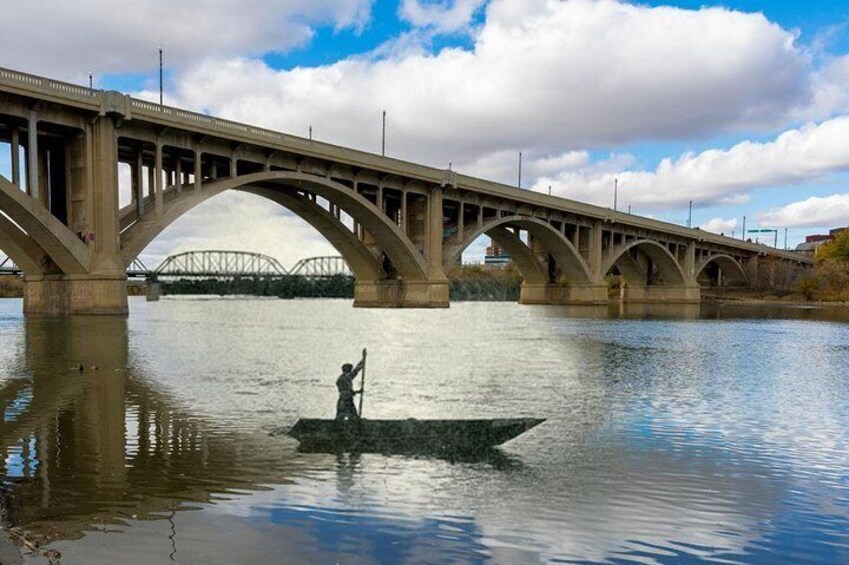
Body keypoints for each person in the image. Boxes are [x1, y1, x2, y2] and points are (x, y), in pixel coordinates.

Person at [336, 356, 365, 421]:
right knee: (351, 416)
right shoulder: (346, 377)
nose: (350, 371)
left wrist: (358, 392)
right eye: (350, 370)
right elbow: (356, 371)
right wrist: (362, 361)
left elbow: (347, 391)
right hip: (346, 400)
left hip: (344, 400)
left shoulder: (342, 378)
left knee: (342, 417)